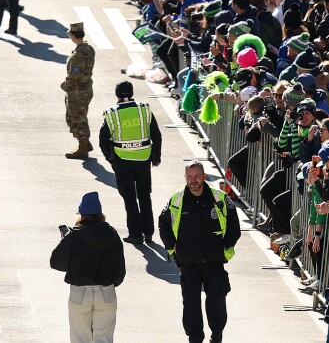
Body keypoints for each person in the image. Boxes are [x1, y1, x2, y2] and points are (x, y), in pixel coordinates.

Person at [159, 162, 240, 343]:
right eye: (189, 177)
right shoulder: (177, 199)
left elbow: (234, 225)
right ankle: (195, 338)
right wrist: (173, 248)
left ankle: (216, 335)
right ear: (185, 178)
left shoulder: (220, 198)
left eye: (196, 176)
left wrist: (224, 247)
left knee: (217, 300)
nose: (193, 181)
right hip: (188, 263)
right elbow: (163, 225)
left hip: (214, 261)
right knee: (191, 304)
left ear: (204, 176)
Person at [49, 191, 124, 343]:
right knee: (104, 339)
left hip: (80, 292)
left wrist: (65, 242)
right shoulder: (112, 234)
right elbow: (120, 268)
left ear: (81, 215)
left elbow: (56, 262)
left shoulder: (74, 236)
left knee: (80, 338)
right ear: (100, 214)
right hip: (106, 291)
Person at [99, 80, 163, 244]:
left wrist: (111, 159)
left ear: (117, 94)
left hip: (122, 161)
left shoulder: (111, 114)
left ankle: (135, 235)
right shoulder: (144, 110)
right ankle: (148, 233)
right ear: (132, 92)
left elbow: (103, 140)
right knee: (145, 196)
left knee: (129, 199)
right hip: (143, 160)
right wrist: (156, 157)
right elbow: (156, 135)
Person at [62, 22, 96, 159]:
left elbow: (74, 74)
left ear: (74, 35)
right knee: (78, 116)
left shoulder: (78, 55)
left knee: (76, 118)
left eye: (70, 34)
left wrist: (65, 85)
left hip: (77, 91)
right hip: (86, 88)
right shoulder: (89, 49)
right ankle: (85, 143)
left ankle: (83, 147)